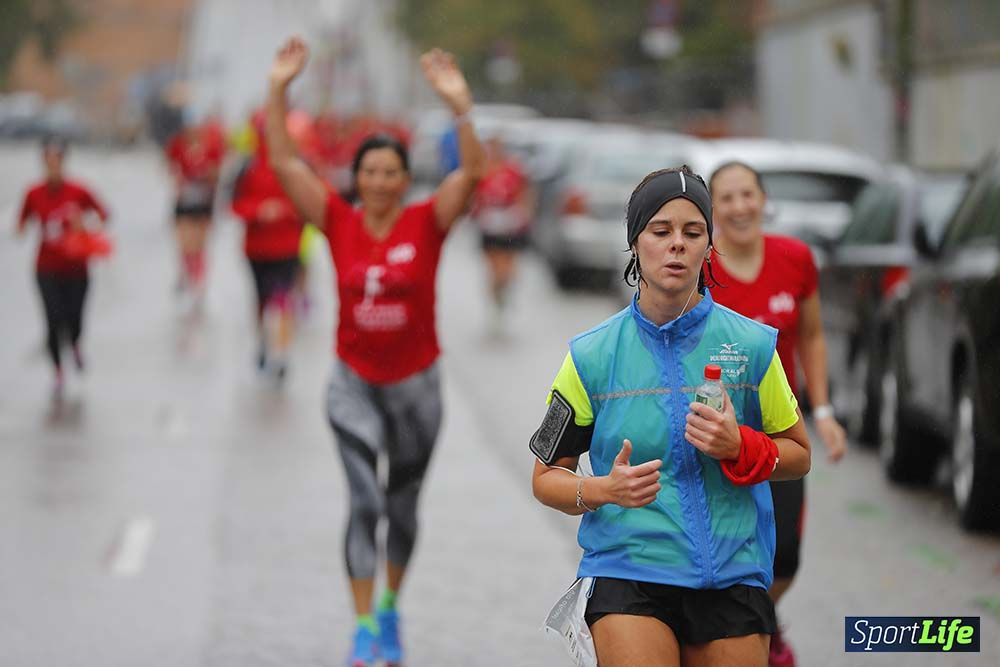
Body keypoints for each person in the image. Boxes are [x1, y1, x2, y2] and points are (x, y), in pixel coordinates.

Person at [531, 165, 811, 667]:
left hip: (732, 573)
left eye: (692, 232)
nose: (677, 244)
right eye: (660, 231)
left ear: (709, 245)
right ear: (635, 243)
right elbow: (546, 476)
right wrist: (602, 490)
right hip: (629, 571)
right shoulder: (590, 356)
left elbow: (799, 455)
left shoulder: (751, 346)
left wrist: (740, 447)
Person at [264, 37, 485, 667]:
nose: (381, 181)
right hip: (353, 383)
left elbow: (471, 174)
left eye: (391, 172)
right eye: (370, 171)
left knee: (402, 507)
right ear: (356, 178)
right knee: (364, 502)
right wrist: (278, 89)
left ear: (405, 179)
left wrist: (461, 107)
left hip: (416, 387)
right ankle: (362, 627)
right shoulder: (337, 220)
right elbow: (283, 162)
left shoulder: (426, 222)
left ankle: (389, 607)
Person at [707, 160, 847, 667]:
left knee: (784, 556)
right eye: (727, 198)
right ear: (712, 209)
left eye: (748, 194)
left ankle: (762, 623)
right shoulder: (701, 269)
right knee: (721, 551)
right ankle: (737, 637)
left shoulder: (795, 258)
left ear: (764, 200)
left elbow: (811, 335)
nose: (740, 207)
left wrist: (823, 410)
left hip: (780, 434)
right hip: (715, 433)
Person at [15, 137, 109, 395]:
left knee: (74, 318)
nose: (53, 166)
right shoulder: (34, 193)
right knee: (53, 319)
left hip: (77, 269)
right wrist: (20, 229)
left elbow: (104, 214)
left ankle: (76, 344)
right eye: (48, 161)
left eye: (57, 160)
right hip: (46, 268)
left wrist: (85, 225)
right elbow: (21, 224)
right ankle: (57, 370)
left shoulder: (78, 191)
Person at [230, 111, 312, 380]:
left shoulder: (296, 165)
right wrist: (258, 211)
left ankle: (281, 352)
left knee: (282, 300)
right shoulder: (247, 166)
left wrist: (285, 211)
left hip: (287, 247)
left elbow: (311, 202)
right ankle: (263, 343)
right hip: (256, 248)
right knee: (261, 301)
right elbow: (234, 205)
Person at [470, 134, 533, 330]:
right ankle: (495, 299)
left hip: (509, 222)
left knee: (507, 265)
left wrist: (524, 213)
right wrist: (476, 213)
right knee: (493, 266)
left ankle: (505, 290)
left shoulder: (513, 170)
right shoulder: (483, 170)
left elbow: (524, 192)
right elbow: (475, 195)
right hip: (490, 223)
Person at [165, 118, 225, 307]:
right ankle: (186, 273)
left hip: (203, 203)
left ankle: (198, 282)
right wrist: (179, 178)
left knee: (199, 245)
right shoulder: (178, 146)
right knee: (184, 243)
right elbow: (170, 167)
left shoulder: (211, 147)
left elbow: (217, 175)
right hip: (184, 202)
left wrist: (207, 175)